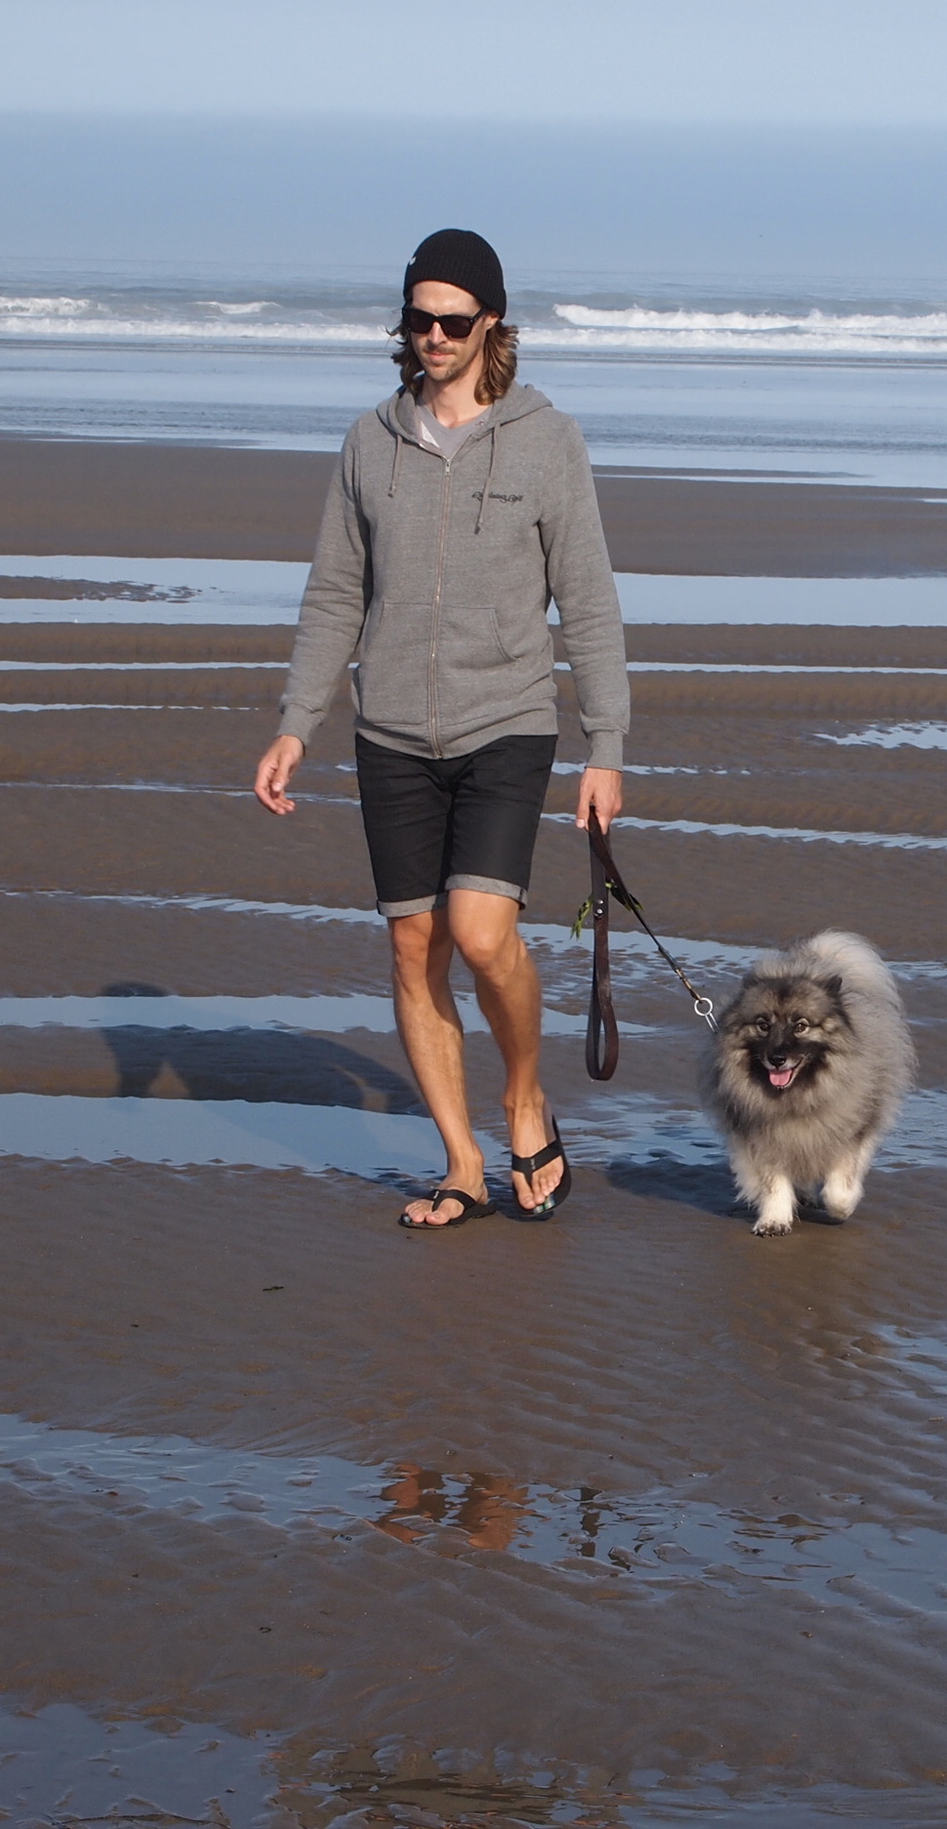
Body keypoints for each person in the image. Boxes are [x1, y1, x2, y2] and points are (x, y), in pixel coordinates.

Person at [253, 228, 627, 1227]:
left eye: (451, 322)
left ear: (490, 325)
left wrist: (606, 746)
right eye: (417, 319)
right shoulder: (369, 442)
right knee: (414, 947)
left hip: (506, 720)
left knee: (478, 928)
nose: (431, 337)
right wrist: (297, 724)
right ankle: (461, 1162)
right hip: (391, 734)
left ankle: (522, 1096)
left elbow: (586, 600)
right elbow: (335, 594)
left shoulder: (548, 439)